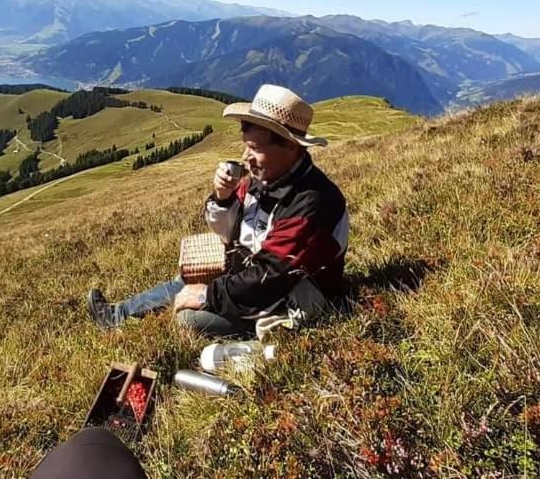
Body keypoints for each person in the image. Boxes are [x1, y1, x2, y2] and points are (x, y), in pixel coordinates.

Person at [86, 84, 350, 337]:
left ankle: (254, 344)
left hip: (292, 299)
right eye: (246, 145)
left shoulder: (312, 202)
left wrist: (206, 295)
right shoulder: (266, 179)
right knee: (189, 278)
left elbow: (270, 277)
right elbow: (227, 235)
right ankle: (117, 315)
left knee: (190, 319)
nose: (246, 156)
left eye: (256, 148)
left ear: (291, 146)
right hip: (251, 277)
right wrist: (223, 198)